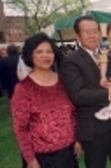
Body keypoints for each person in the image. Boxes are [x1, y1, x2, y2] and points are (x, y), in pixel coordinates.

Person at [60, 16, 111, 168]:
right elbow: (77, 94)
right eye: (87, 32)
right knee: (96, 164)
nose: (92, 35)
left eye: (95, 31)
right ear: (78, 36)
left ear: (101, 33)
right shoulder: (71, 60)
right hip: (93, 126)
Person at [11, 33, 80, 168]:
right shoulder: (23, 88)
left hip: (67, 153)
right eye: (39, 52)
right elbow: (20, 127)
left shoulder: (64, 81)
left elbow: (74, 113)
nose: (45, 55)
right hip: (41, 158)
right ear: (30, 55)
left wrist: (77, 139)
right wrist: (30, 159)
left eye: (49, 51)